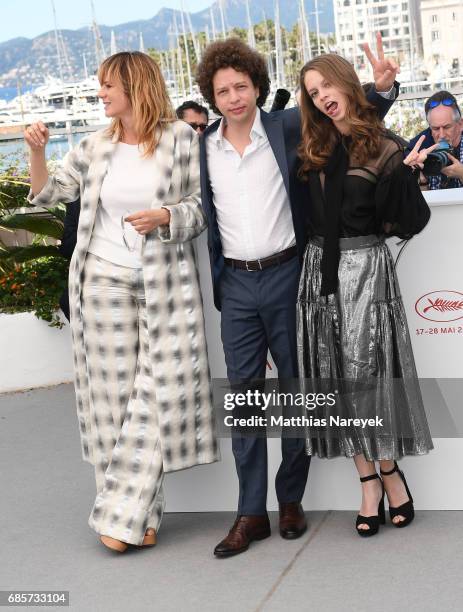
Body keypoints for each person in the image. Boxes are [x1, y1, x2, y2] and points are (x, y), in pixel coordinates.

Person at [196, 36, 398, 557]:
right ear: (212, 96)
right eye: (223, 90)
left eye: (242, 86)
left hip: (290, 275)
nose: (235, 97)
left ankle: (290, 500)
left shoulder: (286, 128)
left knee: (296, 392)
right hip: (237, 285)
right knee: (244, 398)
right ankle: (249, 512)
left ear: (257, 87)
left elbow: (346, 120)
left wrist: (382, 90)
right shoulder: (200, 146)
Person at [24, 51, 219, 553]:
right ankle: (140, 518)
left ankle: (121, 515)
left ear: (136, 85)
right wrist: (38, 152)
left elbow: (200, 210)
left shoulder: (180, 140)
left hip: (165, 282)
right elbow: (46, 194)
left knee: (161, 391)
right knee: (112, 402)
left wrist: (166, 216)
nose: (101, 93)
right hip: (104, 281)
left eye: (109, 85)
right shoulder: (93, 146)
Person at [294, 53, 434, 537]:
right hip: (318, 276)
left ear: (347, 83)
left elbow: (410, 222)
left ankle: (392, 473)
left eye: (327, 85)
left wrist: (405, 177)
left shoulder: (384, 146)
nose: (322, 97)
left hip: (368, 273)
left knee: (372, 378)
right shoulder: (311, 143)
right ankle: (367, 481)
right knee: (335, 382)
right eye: (313, 93)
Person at [408, 90, 463, 189]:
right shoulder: (421, 147)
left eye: (447, 127)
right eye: (436, 128)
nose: (441, 135)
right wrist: (421, 178)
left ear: (460, 124)